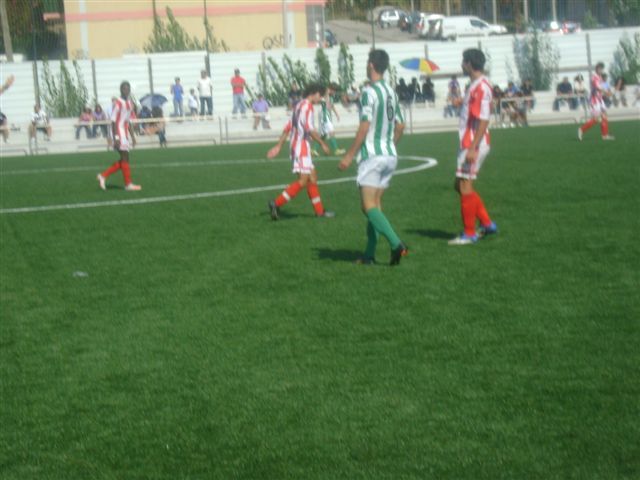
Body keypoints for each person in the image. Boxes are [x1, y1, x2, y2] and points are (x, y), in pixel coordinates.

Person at [338, 49, 408, 266]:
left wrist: (349, 155)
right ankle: (369, 255)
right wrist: (389, 145)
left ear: (370, 65)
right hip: (390, 155)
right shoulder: (391, 92)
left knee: (367, 206)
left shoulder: (369, 92)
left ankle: (397, 244)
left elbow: (364, 127)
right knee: (375, 205)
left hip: (372, 155)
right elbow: (401, 125)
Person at [447, 48, 498, 245]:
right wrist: (462, 102)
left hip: (473, 142)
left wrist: (473, 147)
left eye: (463, 61)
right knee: (459, 184)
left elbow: (484, 119)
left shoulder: (482, 87)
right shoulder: (475, 85)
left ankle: (469, 233)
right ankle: (487, 223)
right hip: (468, 141)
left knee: (464, 185)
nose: (461, 65)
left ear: (469, 63)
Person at [266, 83, 333, 220]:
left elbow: (288, 126)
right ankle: (276, 203)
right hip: (300, 148)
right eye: (320, 95)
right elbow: (309, 128)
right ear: (314, 93)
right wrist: (323, 144)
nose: (320, 98)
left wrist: (279, 146)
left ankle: (320, 212)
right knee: (303, 181)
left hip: (299, 147)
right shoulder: (307, 107)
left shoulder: (298, 105)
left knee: (312, 178)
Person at [97, 81, 142, 191]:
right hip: (117, 132)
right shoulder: (118, 103)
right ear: (121, 90)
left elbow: (128, 121)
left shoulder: (130, 103)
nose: (126, 90)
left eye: (128, 88)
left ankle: (103, 176)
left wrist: (133, 137)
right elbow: (113, 121)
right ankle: (128, 184)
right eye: (124, 88)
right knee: (125, 157)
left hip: (124, 133)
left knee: (125, 159)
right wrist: (116, 137)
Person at [578, 62, 614, 141]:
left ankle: (605, 135)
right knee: (597, 118)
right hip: (595, 100)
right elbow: (598, 88)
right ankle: (581, 129)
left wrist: (607, 92)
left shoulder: (600, 77)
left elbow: (602, 88)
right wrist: (607, 92)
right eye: (599, 69)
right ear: (596, 69)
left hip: (600, 100)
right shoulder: (594, 77)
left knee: (604, 116)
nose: (600, 70)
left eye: (601, 69)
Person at [318, 82, 345, 155]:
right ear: (331, 89)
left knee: (324, 134)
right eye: (334, 90)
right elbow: (325, 97)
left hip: (327, 115)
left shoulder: (331, 97)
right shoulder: (326, 94)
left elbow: (332, 106)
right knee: (331, 131)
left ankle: (314, 149)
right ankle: (336, 150)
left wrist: (337, 114)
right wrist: (328, 90)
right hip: (324, 114)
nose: (335, 92)